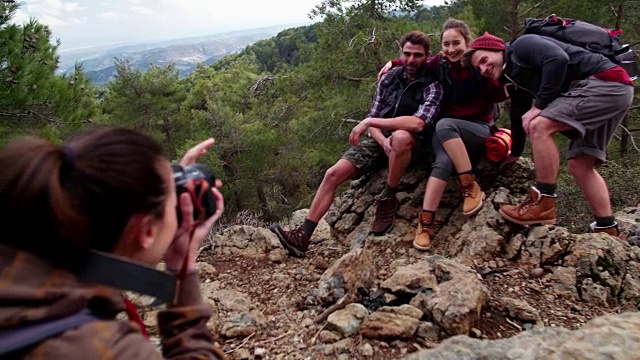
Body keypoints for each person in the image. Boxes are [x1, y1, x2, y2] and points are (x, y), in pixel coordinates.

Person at [0, 127, 226, 359]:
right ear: (146, 231)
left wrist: (158, 186)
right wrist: (184, 270)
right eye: (172, 206)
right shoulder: (104, 349)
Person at [270, 30, 443, 257]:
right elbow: (374, 117)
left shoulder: (432, 85)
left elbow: (419, 123)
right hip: (382, 141)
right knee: (333, 174)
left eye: (418, 55)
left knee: (400, 137)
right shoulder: (390, 78)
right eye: (407, 54)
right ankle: (303, 235)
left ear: (427, 56)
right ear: (401, 53)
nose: (412, 60)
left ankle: (388, 197)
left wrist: (374, 124)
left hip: (414, 144)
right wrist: (381, 140)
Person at [463, 31, 634, 237]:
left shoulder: (522, 45)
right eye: (478, 67)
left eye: (484, 59)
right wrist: (515, 152)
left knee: (540, 126)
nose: (483, 68)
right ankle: (607, 227)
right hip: (616, 90)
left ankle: (543, 202)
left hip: (604, 83)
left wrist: (540, 106)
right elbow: (519, 114)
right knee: (580, 164)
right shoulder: (512, 78)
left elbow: (557, 59)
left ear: (498, 49)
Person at [378, 19, 508, 251]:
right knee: (443, 160)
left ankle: (470, 186)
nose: (451, 49)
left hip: (476, 128)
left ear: (468, 42)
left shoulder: (480, 66)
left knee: (445, 124)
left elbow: (501, 94)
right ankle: (425, 225)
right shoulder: (439, 65)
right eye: (446, 44)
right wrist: (393, 62)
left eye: (456, 43)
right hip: (445, 131)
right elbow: (416, 62)